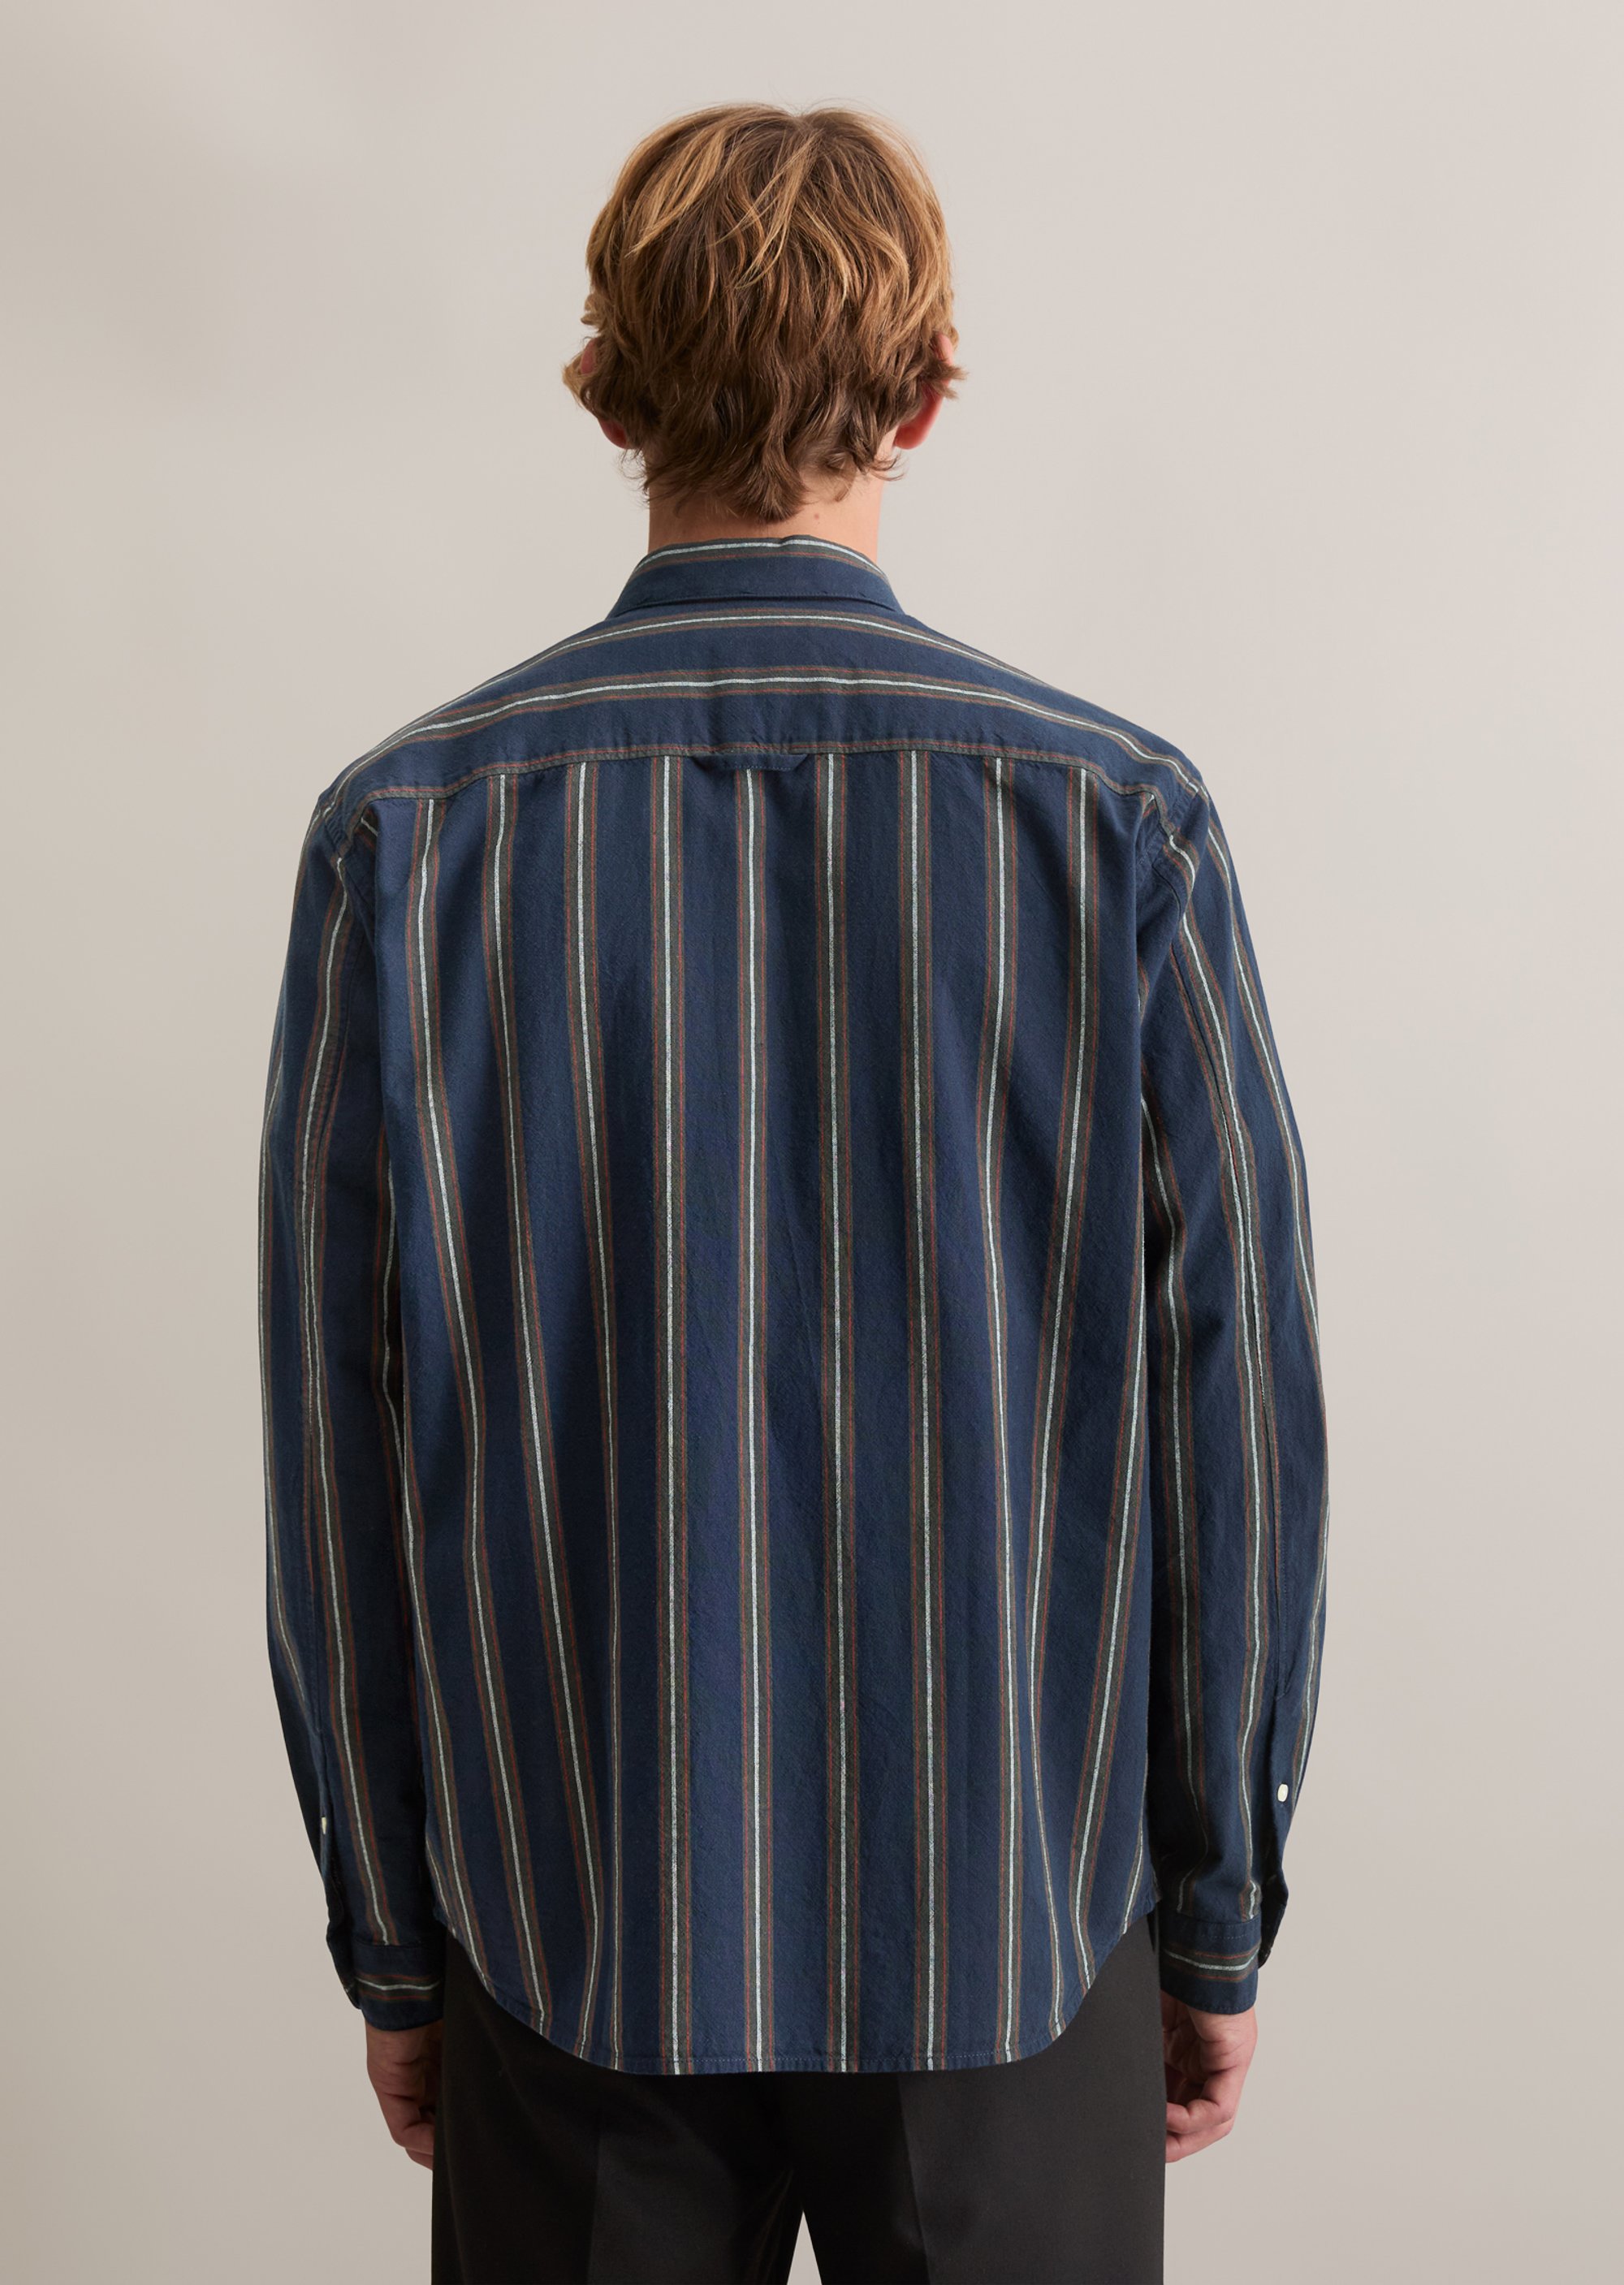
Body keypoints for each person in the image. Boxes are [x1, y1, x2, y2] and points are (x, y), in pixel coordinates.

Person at [259, 101, 1328, 2284]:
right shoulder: (1117, 821)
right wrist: (1214, 1909)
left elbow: (336, 1442)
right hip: (1017, 1926)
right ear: (925, 396)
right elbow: (1237, 1421)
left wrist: (398, 1936)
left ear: (603, 390)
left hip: (569, 1927)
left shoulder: (406, 838)